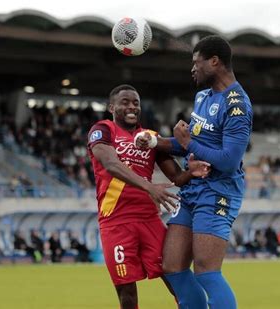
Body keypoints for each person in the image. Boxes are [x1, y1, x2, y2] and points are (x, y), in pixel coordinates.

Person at [136, 35, 253, 309]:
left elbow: (228, 160)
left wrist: (189, 143)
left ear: (214, 62)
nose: (192, 69)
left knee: (206, 271)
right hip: (192, 190)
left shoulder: (237, 105)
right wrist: (156, 142)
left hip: (218, 192)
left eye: (196, 63)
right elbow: (192, 144)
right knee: (172, 265)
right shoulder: (203, 96)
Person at [87, 84, 211, 309]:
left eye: (136, 103)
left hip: (149, 220)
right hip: (115, 222)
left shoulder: (150, 138)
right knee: (127, 295)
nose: (132, 107)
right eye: (125, 102)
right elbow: (111, 164)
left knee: (177, 280)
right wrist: (149, 187)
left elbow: (176, 177)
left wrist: (192, 171)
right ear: (111, 107)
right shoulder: (103, 129)